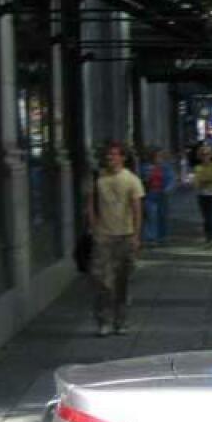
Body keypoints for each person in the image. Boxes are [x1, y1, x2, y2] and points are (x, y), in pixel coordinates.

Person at [87, 142, 144, 337]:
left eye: (114, 154)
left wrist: (136, 236)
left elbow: (137, 209)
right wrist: (95, 229)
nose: (110, 158)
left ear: (123, 157)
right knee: (102, 281)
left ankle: (121, 321)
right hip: (104, 237)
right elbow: (91, 205)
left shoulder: (131, 180)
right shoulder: (98, 179)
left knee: (123, 281)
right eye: (108, 155)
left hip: (125, 236)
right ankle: (104, 321)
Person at [139, 147, 175, 245]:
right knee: (151, 215)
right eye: (156, 156)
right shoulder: (145, 167)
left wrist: (167, 189)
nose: (158, 158)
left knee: (162, 215)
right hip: (150, 194)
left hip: (162, 194)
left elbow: (171, 179)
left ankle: (163, 236)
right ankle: (151, 237)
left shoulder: (166, 167)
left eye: (160, 156)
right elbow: (141, 179)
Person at [192, 144, 212, 245]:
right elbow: (196, 182)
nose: (205, 156)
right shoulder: (198, 167)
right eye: (203, 154)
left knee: (211, 216)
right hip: (202, 195)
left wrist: (205, 181)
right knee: (206, 217)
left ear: (211, 155)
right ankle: (208, 237)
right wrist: (207, 181)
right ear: (200, 156)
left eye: (207, 154)